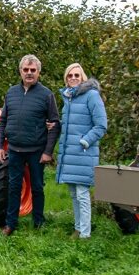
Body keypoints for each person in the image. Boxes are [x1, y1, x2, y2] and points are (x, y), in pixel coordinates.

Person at [0, 54, 59, 236]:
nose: (29, 73)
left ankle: (38, 222)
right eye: (26, 70)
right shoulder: (11, 92)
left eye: (33, 70)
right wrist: (0, 146)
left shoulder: (46, 95)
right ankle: (10, 224)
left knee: (37, 187)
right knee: (14, 187)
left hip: (36, 151)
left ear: (38, 72)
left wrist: (48, 151)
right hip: (14, 149)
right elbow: (3, 120)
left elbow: (54, 124)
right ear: (20, 71)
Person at [56, 63, 107, 238]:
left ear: (83, 77)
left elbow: (101, 126)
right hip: (70, 154)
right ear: (66, 79)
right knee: (73, 194)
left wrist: (85, 141)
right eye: (70, 76)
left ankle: (85, 234)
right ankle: (78, 228)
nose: (73, 78)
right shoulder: (68, 97)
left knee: (82, 194)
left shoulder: (91, 96)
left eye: (77, 75)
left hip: (83, 153)